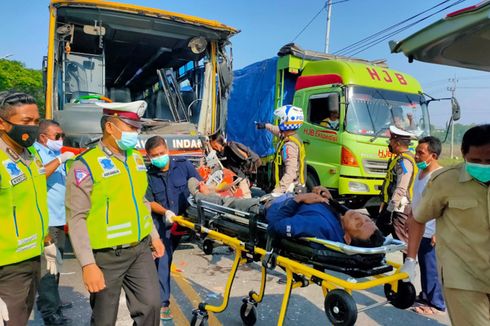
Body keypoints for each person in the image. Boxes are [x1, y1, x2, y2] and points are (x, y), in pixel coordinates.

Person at [65, 100, 164, 326]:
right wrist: (88, 264)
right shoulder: (85, 165)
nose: (136, 133)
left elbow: (141, 201)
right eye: (130, 127)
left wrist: (154, 236)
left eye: (137, 128)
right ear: (110, 127)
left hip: (139, 250)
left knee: (151, 306)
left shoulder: (136, 158)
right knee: (104, 319)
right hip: (106, 257)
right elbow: (77, 217)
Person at [402, 124, 490, 326]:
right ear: (463, 154)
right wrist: (410, 259)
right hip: (464, 279)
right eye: (476, 161)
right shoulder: (446, 181)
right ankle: (433, 299)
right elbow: (418, 218)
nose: (484, 166)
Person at [0, 91, 62, 326]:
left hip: (32, 258)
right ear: (2, 124)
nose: (34, 127)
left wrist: (46, 240)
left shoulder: (32, 153)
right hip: (6, 266)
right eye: (26, 122)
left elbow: (33, 202)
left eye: (36, 121)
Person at [145, 135, 202, 321]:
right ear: (149, 156)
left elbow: (198, 186)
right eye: (155, 155)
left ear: (167, 151)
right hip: (163, 223)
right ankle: (163, 304)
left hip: (185, 221)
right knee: (162, 261)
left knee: (163, 261)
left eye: (162, 153)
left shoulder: (183, 165)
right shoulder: (147, 175)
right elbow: (149, 202)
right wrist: (166, 212)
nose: (159, 157)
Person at [33, 120, 74, 325]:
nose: (61, 139)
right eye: (57, 136)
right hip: (47, 221)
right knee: (48, 269)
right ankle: (50, 313)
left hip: (59, 219)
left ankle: (53, 301)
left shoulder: (52, 154)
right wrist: (60, 160)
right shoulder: (35, 153)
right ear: (43, 137)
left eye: (62, 135)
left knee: (56, 264)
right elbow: (38, 176)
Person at [267, 187, 385, 248]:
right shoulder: (339, 223)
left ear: (347, 238)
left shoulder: (318, 226)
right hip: (287, 198)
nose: (359, 217)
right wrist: (330, 200)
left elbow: (274, 226)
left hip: (271, 205)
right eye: (367, 219)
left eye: (358, 224)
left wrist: (299, 199)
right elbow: (347, 213)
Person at [409, 136, 445, 315]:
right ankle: (425, 295)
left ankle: (436, 304)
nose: (416, 156)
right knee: (424, 266)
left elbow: (447, 208)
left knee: (433, 269)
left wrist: (439, 232)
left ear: (433, 155)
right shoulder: (420, 173)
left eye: (420, 153)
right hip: (420, 230)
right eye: (416, 152)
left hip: (432, 232)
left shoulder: (440, 177)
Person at [377, 125, 417, 242]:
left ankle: (410, 260)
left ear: (398, 143)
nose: (389, 143)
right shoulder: (399, 158)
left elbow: (401, 187)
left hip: (398, 210)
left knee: (404, 243)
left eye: (391, 141)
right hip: (391, 206)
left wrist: (390, 209)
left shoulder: (404, 162)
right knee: (376, 237)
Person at [256, 105, 306, 194]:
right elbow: (278, 131)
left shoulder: (289, 146)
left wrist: (277, 191)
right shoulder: (292, 136)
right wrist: (265, 126)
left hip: (288, 189)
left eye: (281, 120)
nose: (279, 122)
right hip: (291, 186)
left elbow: (290, 173)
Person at [208, 131, 262, 198]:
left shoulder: (231, 147)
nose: (213, 147)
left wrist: (242, 177)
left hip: (240, 178)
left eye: (214, 145)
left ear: (217, 143)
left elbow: (245, 159)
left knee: (245, 197)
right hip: (234, 180)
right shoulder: (220, 153)